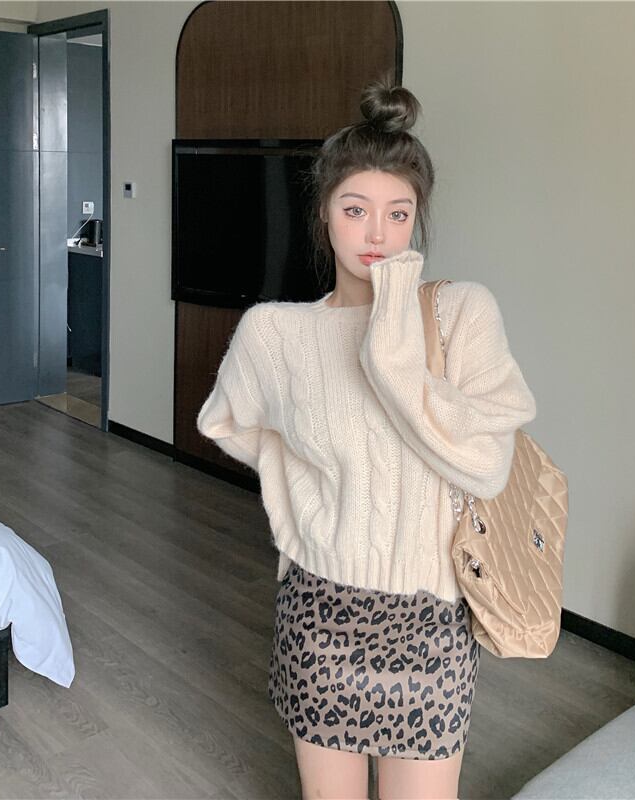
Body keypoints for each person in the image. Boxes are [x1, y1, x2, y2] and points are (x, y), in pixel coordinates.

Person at [196, 78, 537, 800]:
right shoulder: (276, 333)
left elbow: (486, 467)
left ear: (417, 220)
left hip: (432, 621)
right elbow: (227, 420)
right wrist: (304, 487)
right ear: (324, 213)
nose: (377, 234)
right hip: (320, 611)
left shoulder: (462, 314)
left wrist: (393, 355)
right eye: (355, 210)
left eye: (397, 213)